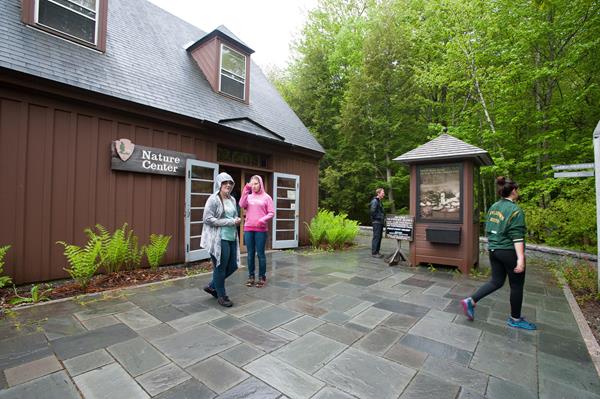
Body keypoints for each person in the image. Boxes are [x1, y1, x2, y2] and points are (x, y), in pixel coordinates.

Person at [461, 176, 536, 330]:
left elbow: (489, 229)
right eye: (518, 189)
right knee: (516, 286)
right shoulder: (516, 210)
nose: (518, 192)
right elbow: (517, 237)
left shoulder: (493, 207)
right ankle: (515, 319)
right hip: (508, 251)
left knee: (496, 281)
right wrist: (520, 259)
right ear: (514, 191)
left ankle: (471, 301)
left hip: (493, 250)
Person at [201, 172, 241, 307]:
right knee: (220, 267)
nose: (228, 185)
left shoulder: (233, 199)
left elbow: (233, 216)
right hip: (218, 238)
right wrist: (229, 222)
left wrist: (236, 220)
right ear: (219, 184)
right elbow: (207, 219)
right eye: (225, 182)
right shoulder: (213, 199)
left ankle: (212, 286)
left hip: (231, 237)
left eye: (230, 183)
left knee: (233, 265)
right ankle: (222, 296)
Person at [239, 175, 274, 288]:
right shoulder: (248, 197)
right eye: (252, 184)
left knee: (260, 254)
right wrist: (245, 191)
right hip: (248, 228)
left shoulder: (267, 197)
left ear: (261, 184)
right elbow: (241, 205)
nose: (254, 186)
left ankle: (262, 277)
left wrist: (262, 220)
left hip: (261, 230)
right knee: (250, 254)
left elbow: (271, 213)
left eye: (256, 183)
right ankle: (251, 276)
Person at [370, 188, 385, 258]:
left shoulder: (380, 201)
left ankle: (377, 252)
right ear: (378, 193)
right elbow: (372, 212)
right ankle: (374, 253)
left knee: (379, 237)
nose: (383, 194)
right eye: (382, 193)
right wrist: (379, 217)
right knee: (376, 237)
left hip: (380, 222)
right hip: (376, 222)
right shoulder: (375, 201)